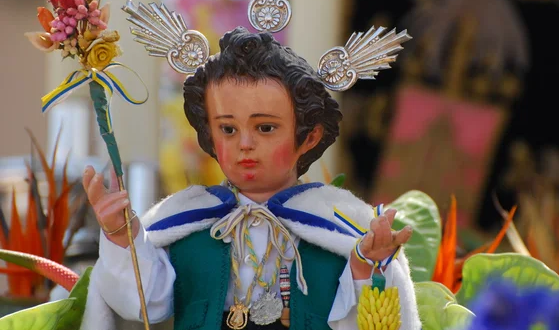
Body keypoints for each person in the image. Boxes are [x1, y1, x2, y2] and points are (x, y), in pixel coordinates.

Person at [80, 27, 421, 330]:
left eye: (265, 128)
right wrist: (121, 237)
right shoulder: (185, 219)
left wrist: (367, 266)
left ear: (310, 136)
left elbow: (362, 321)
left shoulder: (341, 223)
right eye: (228, 129)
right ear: (210, 135)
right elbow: (143, 305)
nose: (244, 144)